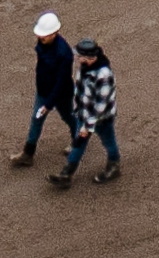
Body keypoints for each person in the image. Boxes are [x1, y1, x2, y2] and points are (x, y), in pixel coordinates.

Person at [48, 37, 119, 185]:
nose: (78, 59)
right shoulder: (85, 68)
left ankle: (114, 165)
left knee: (108, 142)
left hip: (101, 119)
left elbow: (101, 105)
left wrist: (88, 126)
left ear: (91, 57)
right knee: (78, 144)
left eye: (81, 56)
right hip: (83, 114)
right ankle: (66, 175)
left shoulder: (104, 75)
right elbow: (80, 92)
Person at [14, 11, 74, 168]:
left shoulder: (64, 53)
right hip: (44, 91)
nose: (41, 37)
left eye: (45, 35)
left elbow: (61, 82)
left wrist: (48, 104)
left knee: (68, 117)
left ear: (55, 33)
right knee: (36, 119)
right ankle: (27, 154)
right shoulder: (43, 44)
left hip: (61, 95)